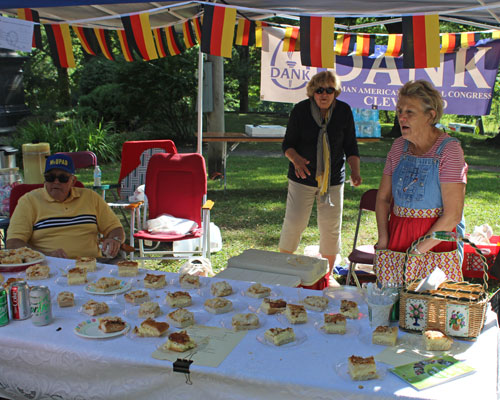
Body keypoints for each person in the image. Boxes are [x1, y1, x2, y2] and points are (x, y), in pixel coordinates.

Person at [375, 80, 467, 284]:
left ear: (430, 115)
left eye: (410, 112)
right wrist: (383, 239)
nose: (402, 117)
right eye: (399, 111)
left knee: (430, 310)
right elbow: (382, 198)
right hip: (397, 239)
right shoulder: (399, 147)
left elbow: (452, 216)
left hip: (433, 243)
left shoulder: (449, 151)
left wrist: (418, 251)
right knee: (392, 307)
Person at [279, 70, 362, 286]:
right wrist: (296, 160)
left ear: (335, 92)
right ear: (312, 92)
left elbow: (351, 145)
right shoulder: (300, 111)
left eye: (329, 90)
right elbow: (287, 145)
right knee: (295, 222)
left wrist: (355, 171)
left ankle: (326, 275)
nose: (324, 94)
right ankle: (283, 268)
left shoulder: (343, 111)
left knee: (330, 226)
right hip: (302, 177)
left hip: (333, 179)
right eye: (319, 90)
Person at [6, 153, 125, 260]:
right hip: (47, 266)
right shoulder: (29, 201)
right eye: (50, 177)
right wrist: (44, 255)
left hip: (92, 265)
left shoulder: (90, 197)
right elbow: (13, 243)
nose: (56, 182)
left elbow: (115, 228)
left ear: (73, 181)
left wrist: (115, 240)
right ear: (45, 179)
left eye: (63, 178)